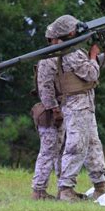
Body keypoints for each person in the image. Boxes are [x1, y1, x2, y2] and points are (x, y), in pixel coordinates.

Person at [45, 15, 105, 202]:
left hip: (85, 104)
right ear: (70, 33)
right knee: (76, 146)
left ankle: (100, 186)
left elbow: (100, 63)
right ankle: (66, 189)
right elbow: (91, 73)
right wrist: (92, 54)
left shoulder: (75, 50)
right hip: (76, 105)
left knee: (93, 145)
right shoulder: (69, 52)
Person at [30, 22, 66, 200]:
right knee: (48, 151)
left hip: (61, 109)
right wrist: (55, 110)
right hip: (50, 112)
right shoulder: (48, 60)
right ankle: (39, 190)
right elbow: (45, 88)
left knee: (61, 152)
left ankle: (63, 188)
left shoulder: (63, 56)